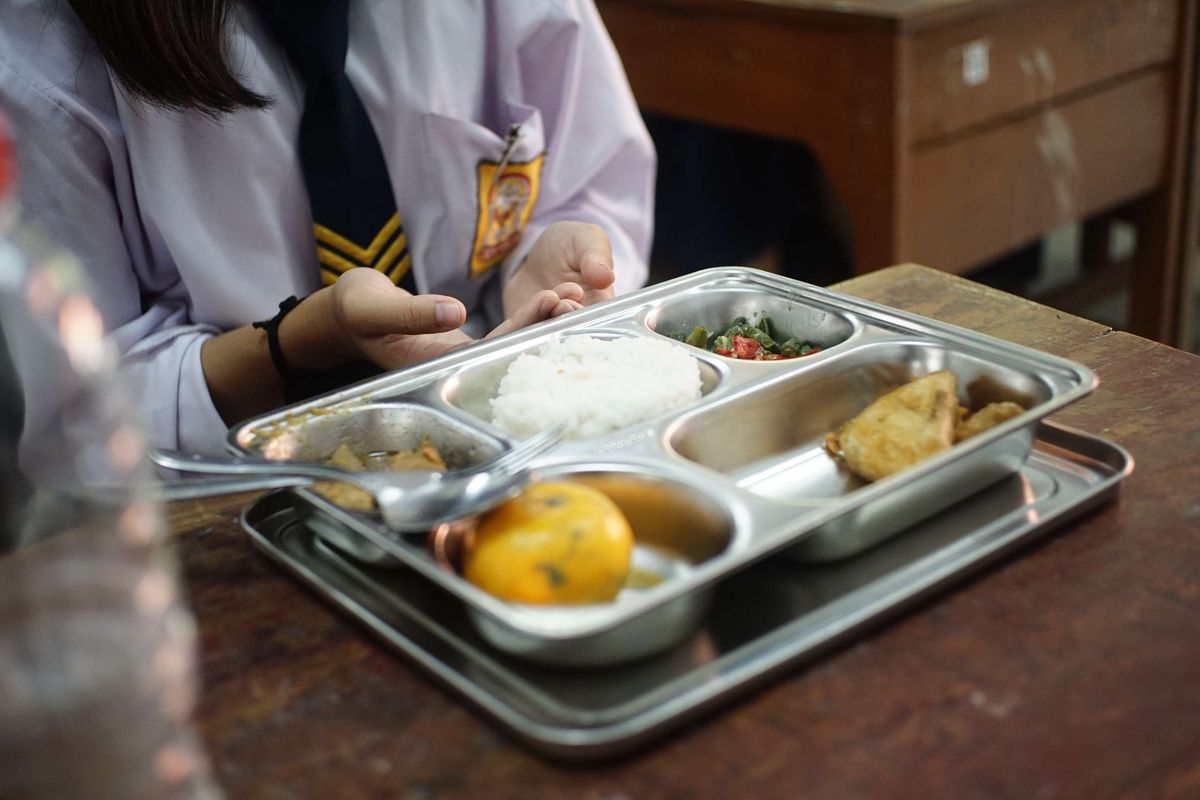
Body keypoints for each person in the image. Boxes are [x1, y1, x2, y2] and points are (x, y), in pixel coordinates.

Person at [0, 0, 655, 459]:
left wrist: (544, 256)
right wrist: (291, 349)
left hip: (513, 424)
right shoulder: (38, 48)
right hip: (232, 490)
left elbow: (592, 179)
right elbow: (69, 411)